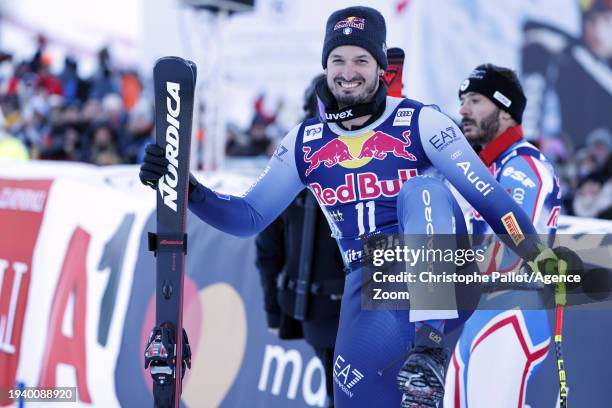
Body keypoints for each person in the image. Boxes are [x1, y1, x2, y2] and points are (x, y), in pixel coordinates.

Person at [140, 7, 568, 407]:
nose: (348, 73)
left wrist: (538, 255)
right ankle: (417, 373)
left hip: (440, 271)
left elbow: (490, 200)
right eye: (338, 60)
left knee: (422, 191)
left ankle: (430, 351)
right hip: (370, 288)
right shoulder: (305, 143)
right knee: (353, 393)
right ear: (325, 66)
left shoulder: (422, 122)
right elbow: (248, 217)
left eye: (362, 60)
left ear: (380, 67)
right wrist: (186, 189)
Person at [443, 64, 562, 407]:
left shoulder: (525, 167)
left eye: (476, 100)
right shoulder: (484, 168)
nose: (463, 109)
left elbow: (512, 250)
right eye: (462, 100)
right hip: (478, 313)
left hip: (512, 311)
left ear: (506, 112)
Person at [255, 74, 345, 408]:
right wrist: (273, 310)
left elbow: (267, 246)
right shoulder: (291, 161)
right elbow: (267, 244)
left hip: (356, 309)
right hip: (323, 312)